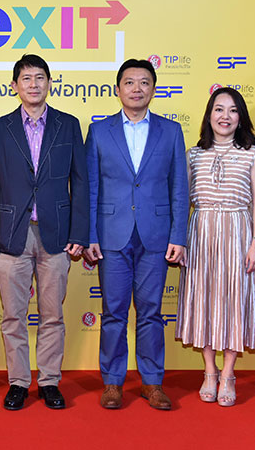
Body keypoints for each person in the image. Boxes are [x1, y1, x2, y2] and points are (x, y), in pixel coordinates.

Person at [0, 54, 89, 410]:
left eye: (40, 77)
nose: (33, 84)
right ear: (15, 85)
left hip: (56, 233)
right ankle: (18, 382)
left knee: (52, 315)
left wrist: (79, 232)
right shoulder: (0, 129)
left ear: (49, 83)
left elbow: (80, 183)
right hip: (12, 233)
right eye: (26, 78)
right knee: (13, 315)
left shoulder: (68, 125)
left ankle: (49, 381)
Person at [84, 58, 188, 411]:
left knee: (151, 313)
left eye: (144, 82)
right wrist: (90, 234)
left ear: (153, 89)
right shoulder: (99, 131)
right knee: (113, 312)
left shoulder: (170, 131)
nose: (137, 89)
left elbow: (179, 188)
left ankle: (152, 383)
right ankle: (113, 383)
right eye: (129, 82)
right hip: (111, 235)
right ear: (118, 89)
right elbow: (91, 187)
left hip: (155, 236)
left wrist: (178, 236)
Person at [175, 87, 255, 407]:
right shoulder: (192, 154)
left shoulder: (252, 154)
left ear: (241, 117)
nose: (225, 116)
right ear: (209, 115)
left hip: (238, 233)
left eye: (232, 110)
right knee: (204, 301)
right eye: (218, 109)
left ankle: (228, 373)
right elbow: (181, 201)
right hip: (201, 233)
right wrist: (180, 240)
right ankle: (209, 371)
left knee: (234, 303)